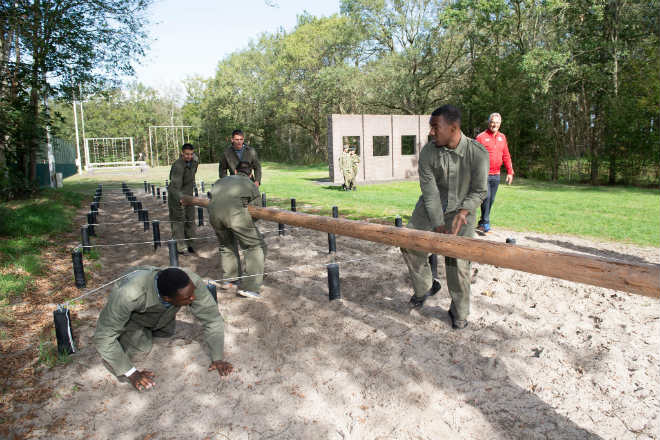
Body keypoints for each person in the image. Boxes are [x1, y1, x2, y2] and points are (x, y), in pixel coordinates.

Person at [400, 105, 488, 329]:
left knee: (457, 260)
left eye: (435, 127)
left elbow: (479, 190)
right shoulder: (428, 152)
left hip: (462, 210)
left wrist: (464, 212)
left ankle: (459, 311)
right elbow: (429, 192)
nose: (431, 132)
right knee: (409, 242)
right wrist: (438, 222)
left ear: (453, 128)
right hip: (431, 207)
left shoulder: (477, 154)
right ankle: (425, 287)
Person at [93, 267, 232, 391]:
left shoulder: (189, 283)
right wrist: (132, 373)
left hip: (163, 312)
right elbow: (103, 336)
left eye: (193, 293)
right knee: (138, 352)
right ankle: (134, 333)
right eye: (187, 298)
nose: (193, 297)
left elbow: (212, 318)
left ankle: (153, 327)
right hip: (132, 318)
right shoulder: (128, 296)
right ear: (167, 298)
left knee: (165, 333)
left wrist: (217, 358)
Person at [183, 161, 266, 299]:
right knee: (254, 246)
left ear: (234, 171)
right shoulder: (250, 184)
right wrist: (249, 224)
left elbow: (212, 197)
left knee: (226, 245)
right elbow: (257, 207)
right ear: (250, 174)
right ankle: (251, 287)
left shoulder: (221, 180)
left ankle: (230, 280)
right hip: (235, 216)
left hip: (214, 216)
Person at [475, 113, 514, 234]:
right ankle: (486, 223)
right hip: (484, 173)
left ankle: (482, 223)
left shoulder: (503, 137)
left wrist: (510, 172)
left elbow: (506, 155)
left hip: (496, 174)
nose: (494, 125)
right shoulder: (481, 137)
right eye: (492, 122)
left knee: (490, 200)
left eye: (497, 123)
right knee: (486, 197)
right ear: (488, 122)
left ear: (500, 124)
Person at [168, 143, 198, 254]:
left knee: (190, 219)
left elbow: (192, 175)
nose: (189, 156)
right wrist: (180, 198)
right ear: (182, 153)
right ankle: (181, 247)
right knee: (178, 221)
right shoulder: (178, 166)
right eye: (186, 154)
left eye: (191, 154)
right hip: (176, 195)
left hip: (189, 194)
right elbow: (175, 185)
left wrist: (189, 196)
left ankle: (191, 244)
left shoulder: (195, 161)